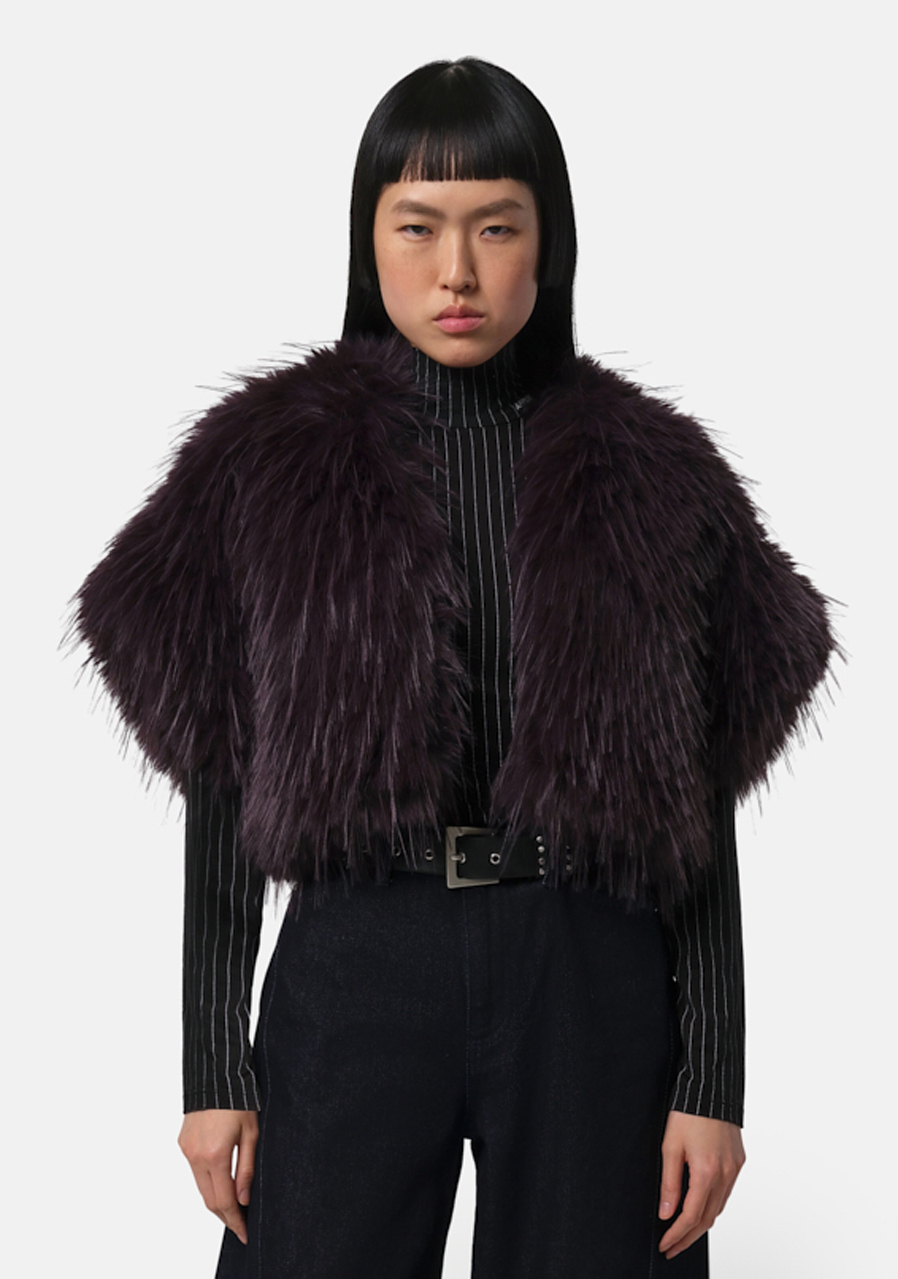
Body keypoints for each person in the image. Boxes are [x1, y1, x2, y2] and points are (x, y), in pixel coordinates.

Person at [71, 58, 836, 1278]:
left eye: (496, 226)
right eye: (417, 227)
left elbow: (694, 807)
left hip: (587, 963)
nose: (457, 272)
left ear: (549, 241)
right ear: (367, 238)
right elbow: (222, 779)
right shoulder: (265, 465)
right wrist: (213, 1068)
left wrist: (712, 1080)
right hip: (359, 954)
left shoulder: (653, 474)